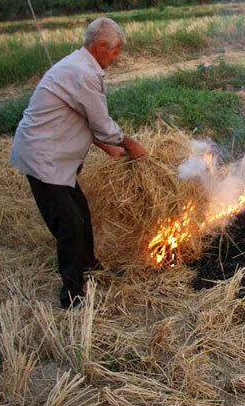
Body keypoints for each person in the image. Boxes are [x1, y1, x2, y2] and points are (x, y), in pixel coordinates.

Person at [9, 17, 147, 308]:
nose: (116, 57)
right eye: (115, 51)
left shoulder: (80, 65)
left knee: (80, 211)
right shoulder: (82, 72)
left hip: (57, 159)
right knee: (69, 223)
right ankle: (72, 295)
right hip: (43, 158)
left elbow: (81, 115)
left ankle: (89, 266)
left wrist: (106, 147)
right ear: (99, 46)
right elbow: (100, 121)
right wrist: (129, 144)